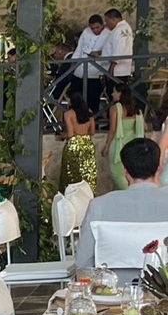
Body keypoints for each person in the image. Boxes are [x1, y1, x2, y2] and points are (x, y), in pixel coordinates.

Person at [76, 137, 168, 273]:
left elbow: (83, 263)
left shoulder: (99, 206)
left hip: (113, 291)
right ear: (159, 168)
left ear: (125, 171)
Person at [103, 83, 145, 190]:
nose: (112, 94)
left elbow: (113, 129)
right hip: (133, 145)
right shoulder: (137, 110)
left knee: (117, 172)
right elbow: (145, 127)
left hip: (118, 144)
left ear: (120, 94)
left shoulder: (115, 108)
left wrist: (107, 145)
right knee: (131, 172)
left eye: (114, 91)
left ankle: (129, 191)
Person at [68, 15, 109, 115]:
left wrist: (99, 53)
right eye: (92, 28)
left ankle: (93, 121)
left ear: (102, 25)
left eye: (97, 27)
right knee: (76, 97)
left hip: (96, 71)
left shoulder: (109, 33)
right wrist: (73, 65)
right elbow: (80, 48)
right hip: (80, 70)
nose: (95, 30)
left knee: (93, 99)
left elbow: (109, 51)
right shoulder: (86, 32)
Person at [58, 92, 97, 192]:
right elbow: (92, 131)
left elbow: (70, 134)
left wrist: (62, 136)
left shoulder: (68, 114)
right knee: (87, 173)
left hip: (74, 144)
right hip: (87, 143)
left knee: (71, 174)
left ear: (71, 101)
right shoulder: (89, 112)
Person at [102, 9, 134, 83]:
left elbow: (119, 47)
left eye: (107, 21)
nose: (106, 24)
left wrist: (113, 65)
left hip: (117, 70)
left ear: (113, 19)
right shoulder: (124, 27)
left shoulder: (120, 29)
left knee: (114, 91)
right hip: (120, 69)